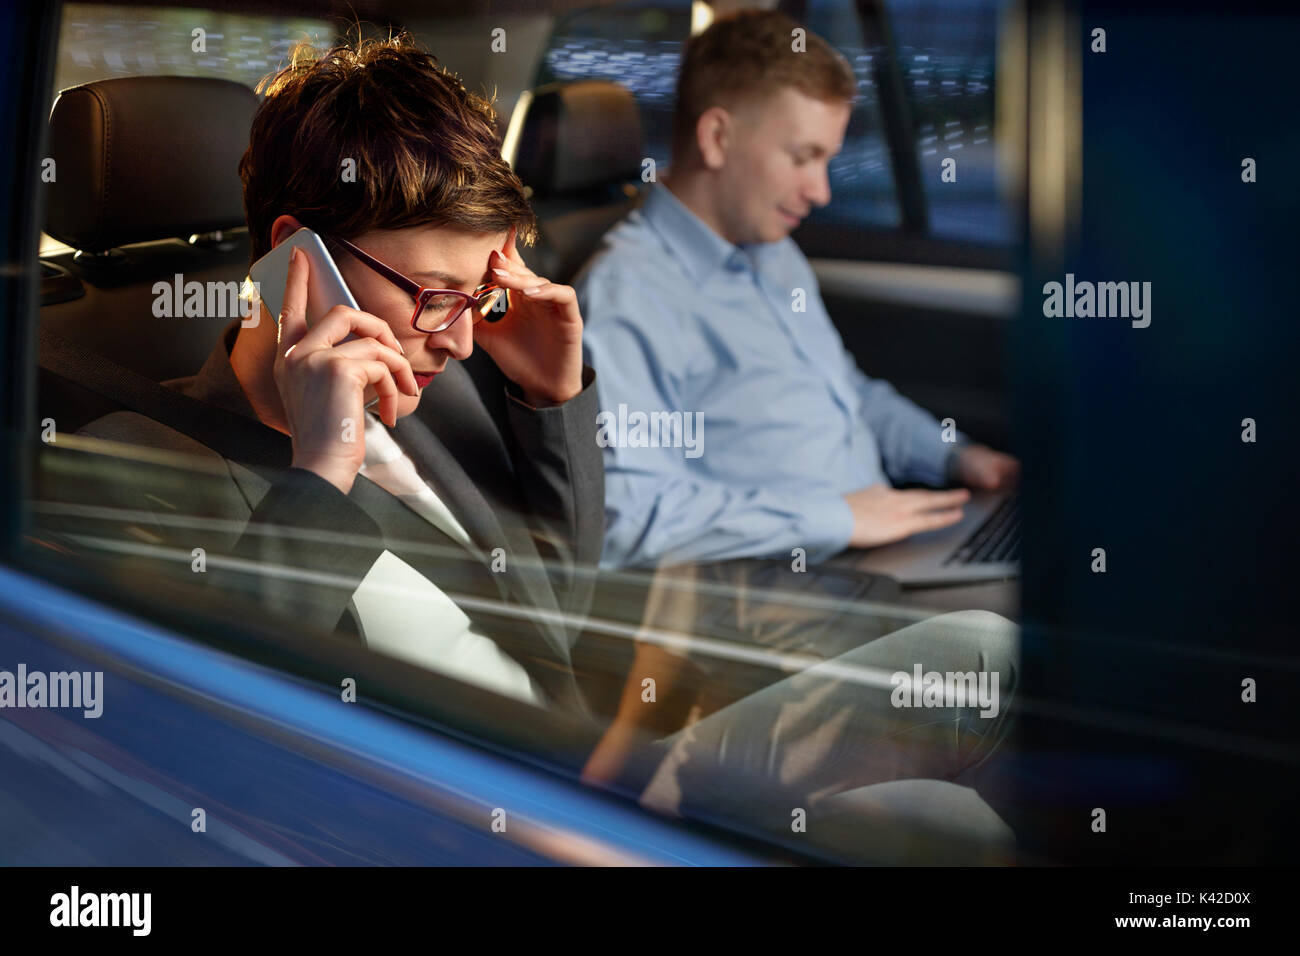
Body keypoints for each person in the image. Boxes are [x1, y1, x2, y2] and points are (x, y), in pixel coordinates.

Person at [576, 10, 1021, 570]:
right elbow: (627, 517)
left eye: (829, 160)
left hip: (882, 551)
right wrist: (839, 518)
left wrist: (956, 458)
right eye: (803, 157)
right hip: (784, 592)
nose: (822, 192)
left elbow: (845, 391)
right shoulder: (630, 292)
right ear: (717, 138)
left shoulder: (774, 252)